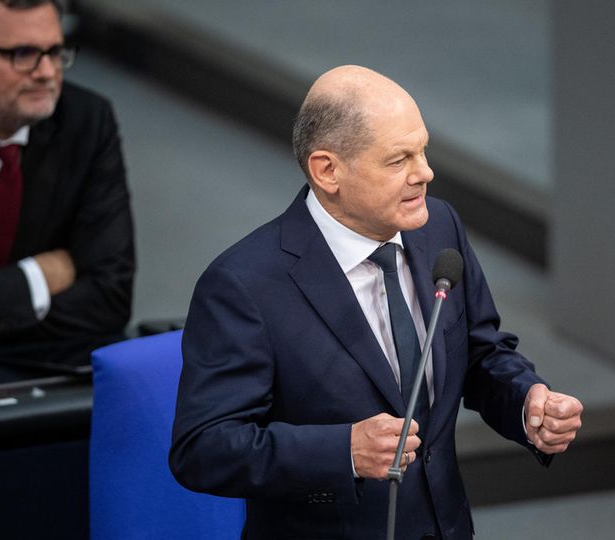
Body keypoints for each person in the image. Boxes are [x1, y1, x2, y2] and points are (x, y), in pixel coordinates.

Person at [170, 65, 582, 539]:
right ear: (328, 170)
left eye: (423, 150)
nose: (425, 173)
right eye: (398, 160)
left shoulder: (438, 227)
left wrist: (527, 401)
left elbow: (479, 351)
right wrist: (343, 451)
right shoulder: (245, 284)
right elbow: (204, 447)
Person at [0, 0, 134, 349]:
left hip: (41, 363)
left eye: (55, 52)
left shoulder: (87, 122)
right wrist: (34, 280)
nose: (47, 72)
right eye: (23, 53)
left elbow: (110, 298)